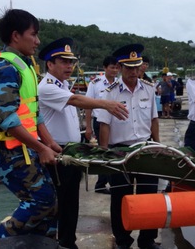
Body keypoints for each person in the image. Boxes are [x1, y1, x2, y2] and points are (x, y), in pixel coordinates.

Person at [0, 9, 60, 239]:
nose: (38, 41)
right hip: (7, 153)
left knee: (52, 206)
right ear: (16, 36)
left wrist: (50, 142)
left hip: (24, 150)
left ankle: (43, 243)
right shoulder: (5, 68)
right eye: (33, 34)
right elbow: (8, 120)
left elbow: (34, 113)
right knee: (42, 200)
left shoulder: (24, 66)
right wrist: (41, 148)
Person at [37, 38, 128, 248]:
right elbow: (76, 101)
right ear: (50, 64)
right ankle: (60, 242)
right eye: (63, 61)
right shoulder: (47, 87)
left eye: (71, 62)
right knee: (60, 203)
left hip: (70, 152)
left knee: (71, 203)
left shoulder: (63, 85)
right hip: (57, 153)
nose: (69, 66)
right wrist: (106, 104)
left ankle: (68, 241)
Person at [97, 43, 161, 249]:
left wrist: (158, 146)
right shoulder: (110, 93)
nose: (133, 72)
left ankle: (147, 240)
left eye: (137, 67)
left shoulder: (149, 89)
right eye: (129, 68)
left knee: (149, 198)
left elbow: (154, 120)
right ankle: (123, 240)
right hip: (119, 151)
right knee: (120, 198)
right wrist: (104, 154)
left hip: (145, 150)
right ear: (121, 67)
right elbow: (104, 124)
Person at [84, 55, 121, 194]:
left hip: (115, 123)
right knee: (104, 152)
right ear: (105, 68)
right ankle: (104, 184)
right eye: (112, 67)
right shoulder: (96, 84)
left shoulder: (119, 83)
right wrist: (88, 127)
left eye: (117, 68)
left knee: (114, 152)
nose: (114, 70)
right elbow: (87, 106)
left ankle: (107, 182)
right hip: (100, 122)